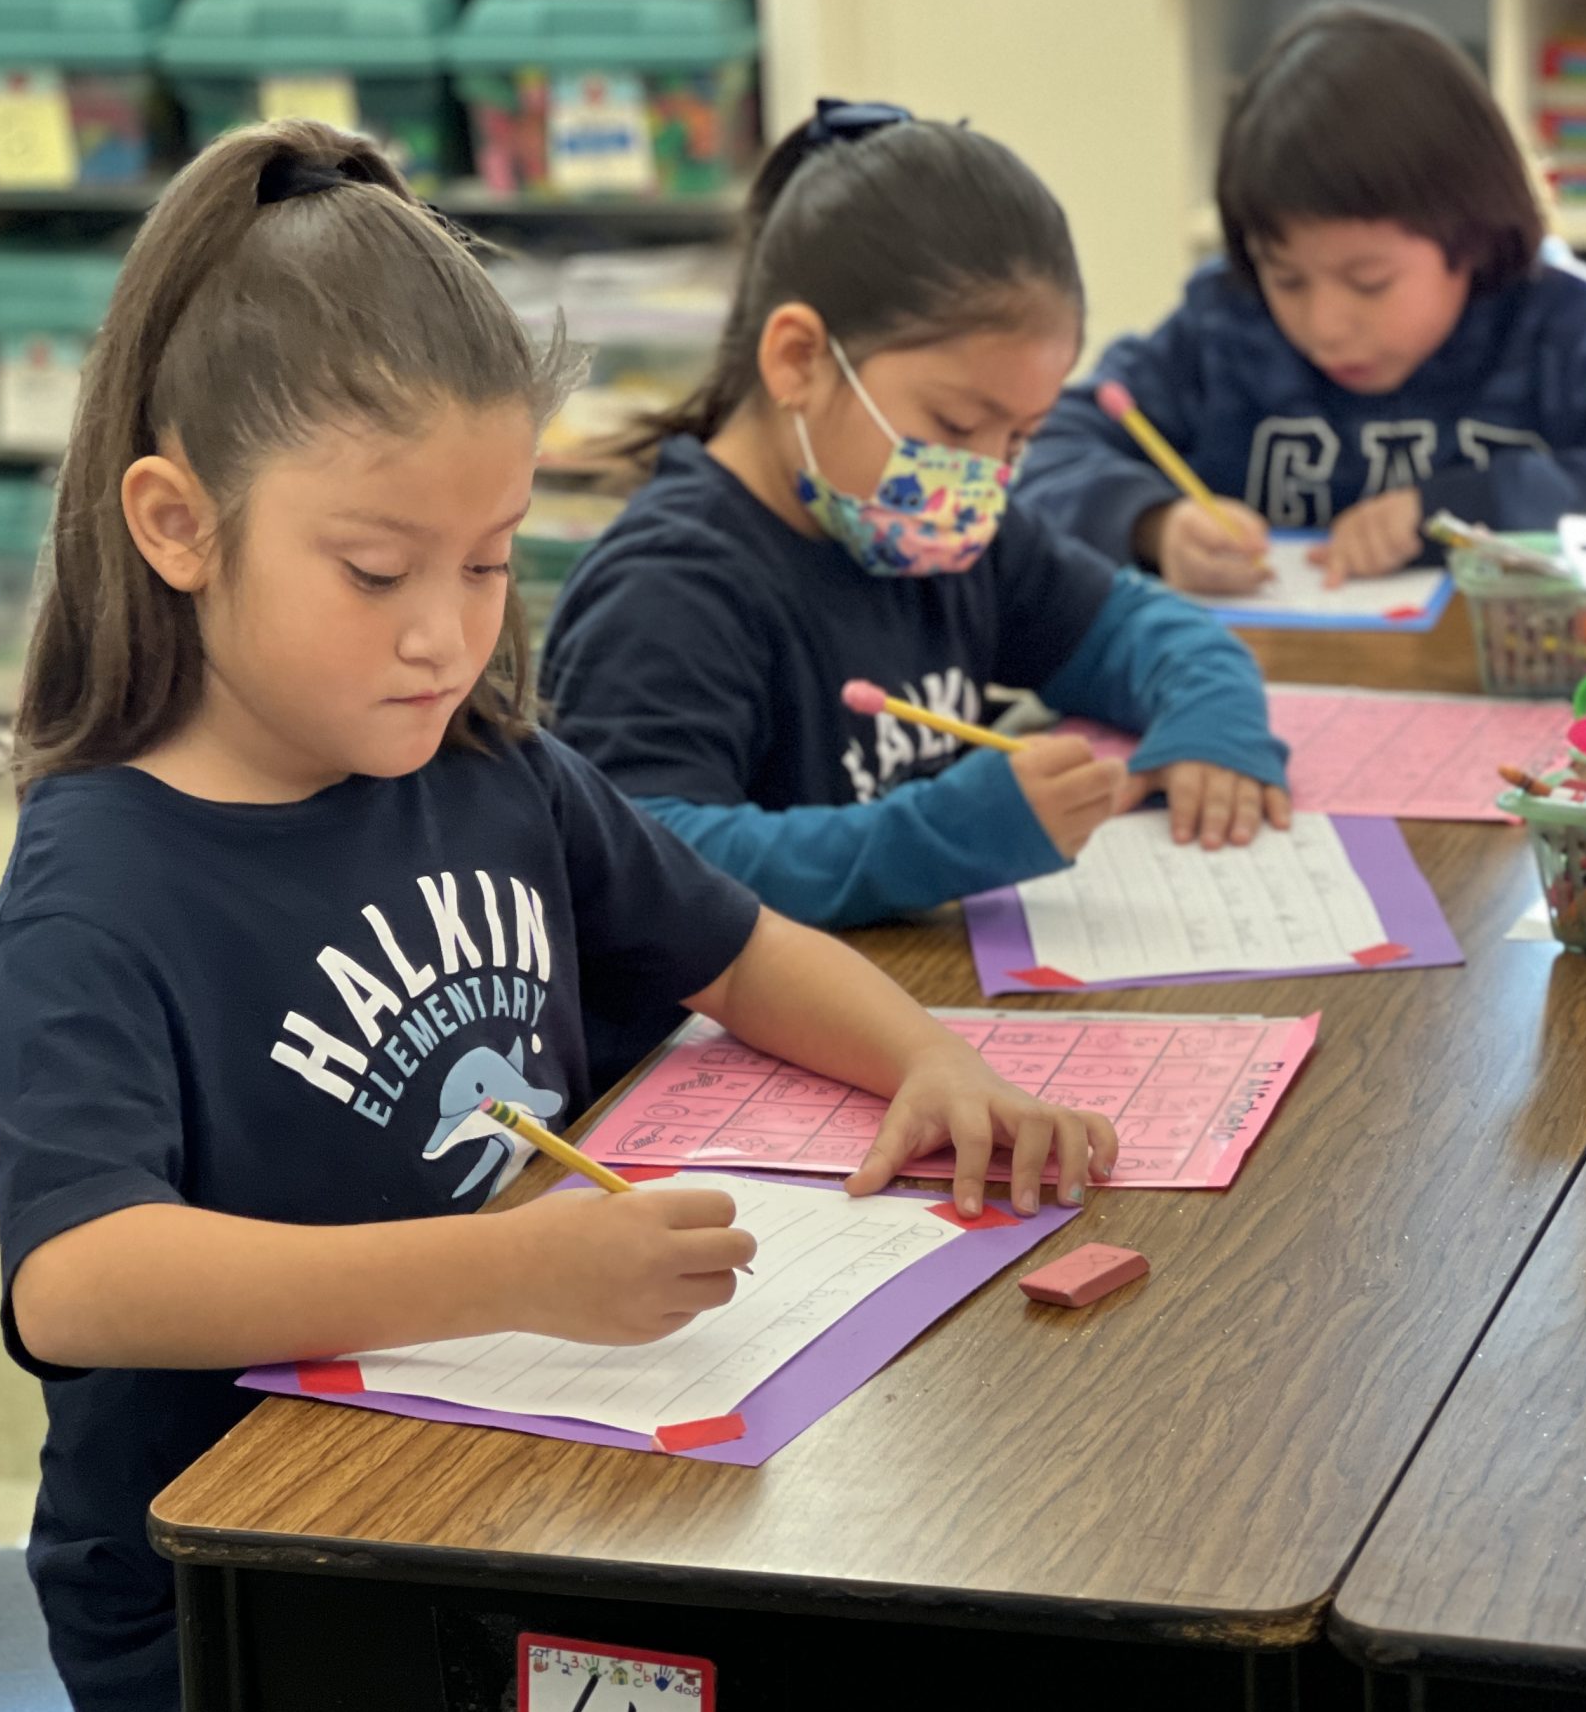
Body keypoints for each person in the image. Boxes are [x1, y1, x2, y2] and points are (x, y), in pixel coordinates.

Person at [0, 118, 1119, 1712]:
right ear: (178, 523)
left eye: (492, 558)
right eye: (376, 569)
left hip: (498, 1483)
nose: (448, 632)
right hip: (245, 1604)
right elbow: (77, 1282)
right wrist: (506, 1274)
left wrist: (930, 1061)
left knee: (974, 1673)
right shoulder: (99, 886)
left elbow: (741, 950)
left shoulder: (492, 772)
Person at [539, 103, 1292, 1075]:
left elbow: (1146, 630)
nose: (984, 476)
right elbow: (658, 863)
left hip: (923, 1022)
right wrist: (937, 839)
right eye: (957, 425)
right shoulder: (667, 591)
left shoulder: (952, 535)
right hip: (721, 1076)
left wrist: (1212, 724)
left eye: (1019, 439)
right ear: (798, 360)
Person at [1016, 0, 1586, 597]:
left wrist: (1458, 511)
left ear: (1470, 236)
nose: (1324, 326)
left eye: (1369, 282)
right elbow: (1046, 450)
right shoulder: (1224, 326)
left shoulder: (1563, 326)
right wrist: (1153, 523)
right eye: (1287, 278)